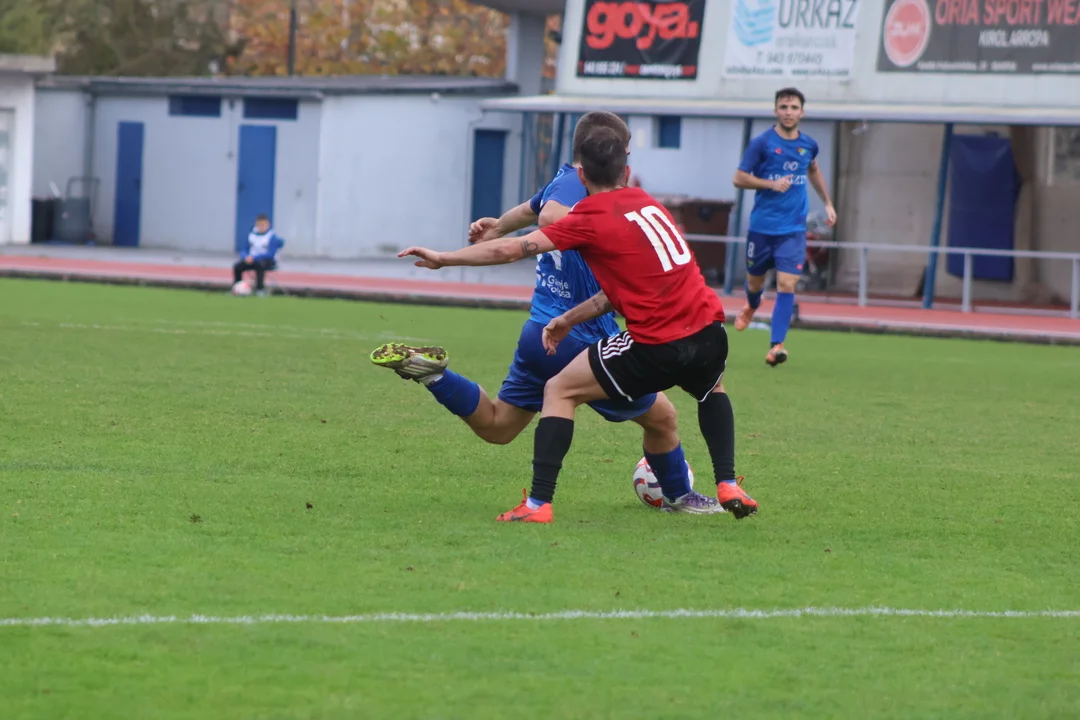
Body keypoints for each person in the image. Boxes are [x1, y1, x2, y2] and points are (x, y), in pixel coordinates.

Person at [396, 126, 758, 523]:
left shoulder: (570, 192)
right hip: (701, 330)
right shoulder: (647, 203)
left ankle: (438, 380)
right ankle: (705, 487)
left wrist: (447, 256)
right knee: (681, 407)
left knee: (506, 422)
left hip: (547, 332)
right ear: (627, 168)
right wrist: (569, 318)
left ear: (582, 171)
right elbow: (562, 230)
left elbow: (523, 237)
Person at [732, 87, 836, 367]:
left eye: (793, 107)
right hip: (762, 228)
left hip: (792, 231)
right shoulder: (762, 143)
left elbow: (813, 169)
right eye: (784, 107)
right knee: (755, 283)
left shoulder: (809, 145)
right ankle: (752, 304)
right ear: (775, 110)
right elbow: (739, 178)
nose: (788, 112)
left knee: (787, 284)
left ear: (802, 112)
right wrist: (770, 184)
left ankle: (776, 345)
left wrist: (827, 202)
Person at [233, 214, 284, 296]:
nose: (262, 227)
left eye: (264, 224)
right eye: (260, 225)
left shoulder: (272, 236)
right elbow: (244, 249)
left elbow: (270, 254)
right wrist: (245, 257)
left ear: (268, 224)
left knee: (260, 265)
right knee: (237, 266)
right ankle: (237, 288)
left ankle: (259, 289)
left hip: (267, 261)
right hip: (251, 259)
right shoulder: (251, 235)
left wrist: (254, 258)